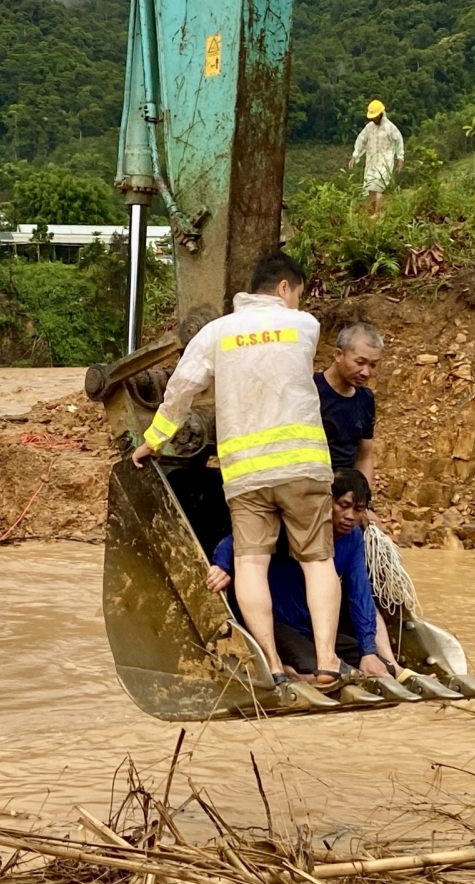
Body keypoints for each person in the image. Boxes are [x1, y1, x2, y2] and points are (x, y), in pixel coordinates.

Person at [130, 252, 341, 688]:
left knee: (249, 564)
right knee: (318, 561)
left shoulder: (215, 333)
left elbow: (180, 390)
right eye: (297, 293)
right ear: (285, 288)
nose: (298, 302)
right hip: (302, 466)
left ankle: (272, 667)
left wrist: (153, 440)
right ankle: (326, 663)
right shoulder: (305, 326)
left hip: (245, 473)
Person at [207, 469, 412, 683]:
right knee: (315, 666)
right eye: (343, 505)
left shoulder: (353, 538)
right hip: (280, 623)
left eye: (358, 509)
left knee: (381, 665)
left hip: (311, 627)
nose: (350, 516)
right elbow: (234, 542)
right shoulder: (295, 526)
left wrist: (368, 651)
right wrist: (222, 566)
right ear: (326, 502)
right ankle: (288, 671)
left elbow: (360, 593)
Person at [316, 322, 382, 484]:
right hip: (312, 488)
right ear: (338, 355)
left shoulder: (366, 398)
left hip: (346, 493)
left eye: (373, 365)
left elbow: (364, 456)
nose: (366, 372)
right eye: (359, 362)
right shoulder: (310, 391)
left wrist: (364, 500)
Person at [348, 100, 404, 214]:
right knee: (370, 188)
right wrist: (355, 156)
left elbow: (399, 142)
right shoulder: (369, 128)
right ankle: (371, 212)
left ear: (381, 114)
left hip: (385, 163)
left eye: (375, 116)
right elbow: (361, 141)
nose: (374, 119)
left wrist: (400, 158)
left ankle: (378, 213)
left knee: (379, 187)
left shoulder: (390, 128)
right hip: (371, 163)